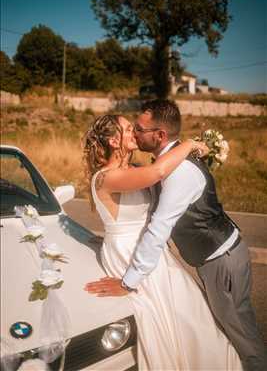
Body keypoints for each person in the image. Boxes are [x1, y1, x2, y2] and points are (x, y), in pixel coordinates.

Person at [85, 100, 267, 371]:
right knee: (166, 321)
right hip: (131, 253)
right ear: (113, 141)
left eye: (137, 128)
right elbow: (157, 174)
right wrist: (190, 145)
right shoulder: (109, 177)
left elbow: (156, 215)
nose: (134, 132)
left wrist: (187, 149)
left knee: (216, 324)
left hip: (183, 255)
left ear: (159, 135)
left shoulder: (142, 170)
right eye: (129, 129)